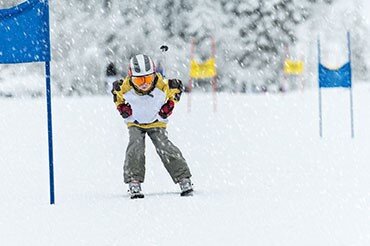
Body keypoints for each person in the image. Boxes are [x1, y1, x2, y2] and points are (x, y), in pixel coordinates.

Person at [111, 54, 193, 199]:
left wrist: (169, 105)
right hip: (135, 123)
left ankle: (183, 178)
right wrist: (123, 108)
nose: (144, 83)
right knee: (135, 146)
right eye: (139, 79)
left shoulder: (161, 84)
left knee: (164, 147)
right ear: (130, 77)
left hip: (156, 122)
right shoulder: (125, 86)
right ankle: (134, 180)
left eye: (148, 79)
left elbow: (175, 91)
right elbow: (117, 97)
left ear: (154, 74)